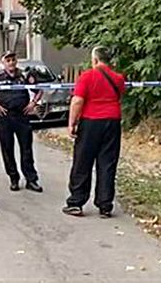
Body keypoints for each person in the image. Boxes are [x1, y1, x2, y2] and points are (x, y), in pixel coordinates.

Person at [63, 46, 125, 218]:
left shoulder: (86, 76)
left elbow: (77, 101)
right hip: (112, 121)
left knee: (82, 162)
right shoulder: (118, 78)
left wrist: (72, 122)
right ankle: (105, 205)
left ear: (95, 60)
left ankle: (76, 202)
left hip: (91, 121)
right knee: (107, 163)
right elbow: (119, 95)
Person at [0, 51, 43, 193]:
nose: (11, 62)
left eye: (13, 59)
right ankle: (13, 178)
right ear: (3, 62)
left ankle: (31, 180)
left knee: (26, 149)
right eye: (8, 60)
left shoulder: (24, 75)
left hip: (22, 116)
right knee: (7, 149)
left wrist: (33, 103)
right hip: (5, 117)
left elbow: (39, 90)